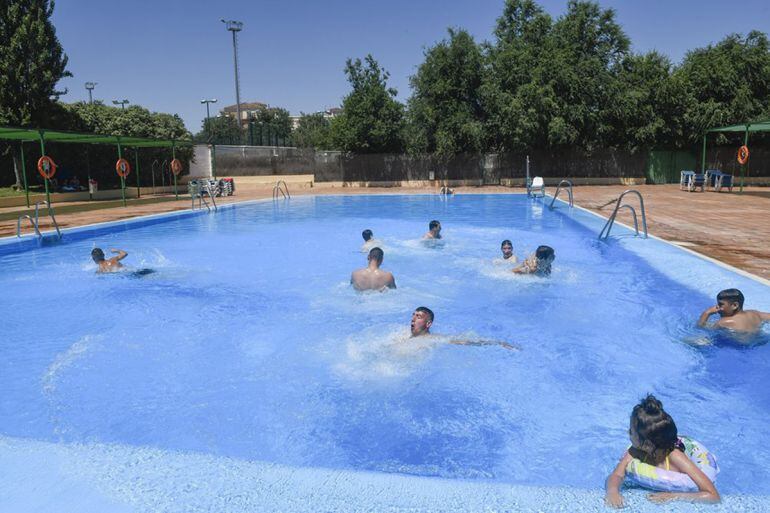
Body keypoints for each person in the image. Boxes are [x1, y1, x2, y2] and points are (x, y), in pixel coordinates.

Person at [605, 395, 720, 508]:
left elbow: (713, 495)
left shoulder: (675, 456)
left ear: (647, 445)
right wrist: (612, 492)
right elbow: (617, 475)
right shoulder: (635, 451)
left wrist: (673, 496)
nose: (627, 432)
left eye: (631, 431)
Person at [409, 307, 518, 350]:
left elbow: (467, 341)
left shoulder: (433, 339)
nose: (413, 318)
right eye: (413, 315)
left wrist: (497, 343)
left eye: (418, 316)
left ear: (428, 324)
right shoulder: (401, 333)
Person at [698, 288, 770, 334]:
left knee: (694, 342)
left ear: (734, 305)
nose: (717, 307)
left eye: (720, 304)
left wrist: (707, 313)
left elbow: (701, 328)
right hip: (758, 341)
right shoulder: (754, 313)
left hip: (740, 347)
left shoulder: (724, 322)